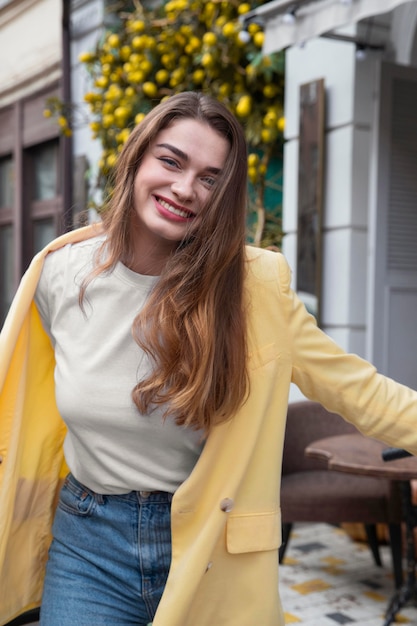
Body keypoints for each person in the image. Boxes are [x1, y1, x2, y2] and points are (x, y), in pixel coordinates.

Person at [0, 91, 417, 626]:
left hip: (211, 551)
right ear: (137, 159)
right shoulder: (59, 276)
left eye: (210, 178)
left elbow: (358, 390)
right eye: (171, 161)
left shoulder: (256, 291)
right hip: (89, 545)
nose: (184, 188)